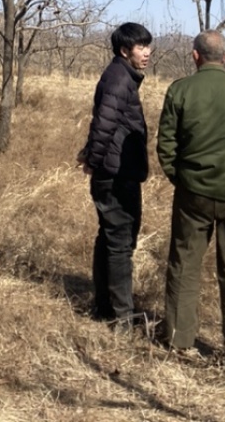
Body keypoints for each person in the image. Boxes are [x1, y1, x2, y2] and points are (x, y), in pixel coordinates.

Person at [156, 29, 225, 365]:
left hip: (193, 194)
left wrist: (182, 178)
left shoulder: (180, 90)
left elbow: (166, 145)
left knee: (184, 264)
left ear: (195, 56)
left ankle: (179, 341)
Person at [77, 22, 153, 328]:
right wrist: (93, 161)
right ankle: (122, 317)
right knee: (120, 241)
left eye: (148, 46)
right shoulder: (119, 79)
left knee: (109, 238)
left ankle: (104, 306)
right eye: (140, 47)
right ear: (124, 51)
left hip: (120, 169)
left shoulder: (122, 76)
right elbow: (104, 125)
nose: (147, 53)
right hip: (116, 173)